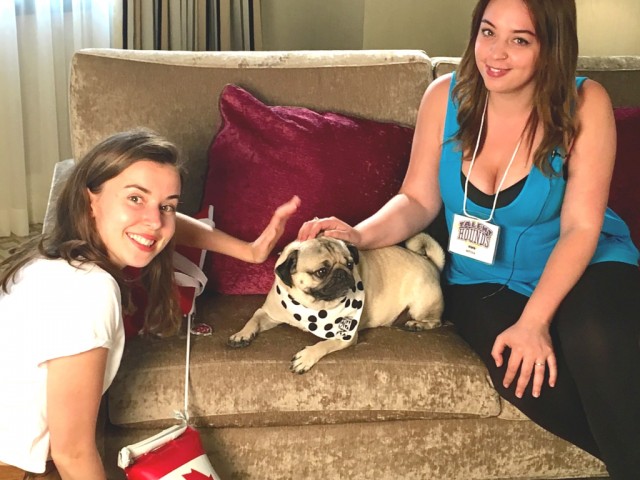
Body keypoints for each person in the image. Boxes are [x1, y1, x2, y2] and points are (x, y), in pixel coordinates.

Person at [297, 0, 640, 477]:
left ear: (552, 48)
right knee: (530, 379)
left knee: (595, 341)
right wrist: (359, 234)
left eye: (520, 40)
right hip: (481, 277)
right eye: (487, 31)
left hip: (585, 262)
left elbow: (581, 227)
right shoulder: (444, 97)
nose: (495, 54)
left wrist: (535, 321)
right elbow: (417, 200)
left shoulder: (586, 104)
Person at [0, 129, 298, 480]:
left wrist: (250, 251)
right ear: (90, 200)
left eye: (168, 205)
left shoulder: (54, 260)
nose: (155, 221)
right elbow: (73, 453)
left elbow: (161, 226)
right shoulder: (88, 290)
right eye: (135, 199)